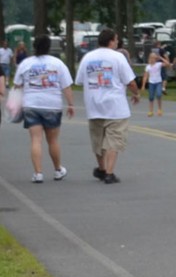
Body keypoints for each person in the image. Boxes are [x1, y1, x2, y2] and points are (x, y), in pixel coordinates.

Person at [75, 28, 139, 184]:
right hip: (115, 106)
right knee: (114, 140)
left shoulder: (87, 57)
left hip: (94, 105)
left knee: (98, 140)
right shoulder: (118, 57)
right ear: (111, 41)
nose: (117, 42)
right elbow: (130, 81)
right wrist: (136, 93)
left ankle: (102, 168)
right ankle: (109, 173)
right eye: (116, 39)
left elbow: (80, 81)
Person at [13, 35, 76, 183]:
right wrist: (71, 104)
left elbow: (17, 85)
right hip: (52, 105)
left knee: (36, 139)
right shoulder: (58, 63)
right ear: (49, 47)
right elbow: (66, 86)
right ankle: (57, 169)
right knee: (53, 140)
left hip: (31, 104)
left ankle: (38, 173)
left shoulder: (26, 64)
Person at [141, 52, 165, 117]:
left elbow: (167, 64)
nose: (152, 59)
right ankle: (151, 111)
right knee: (151, 97)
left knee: (159, 94)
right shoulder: (148, 67)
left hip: (158, 82)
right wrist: (143, 85)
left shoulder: (158, 64)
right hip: (151, 83)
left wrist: (161, 58)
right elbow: (145, 76)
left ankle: (160, 109)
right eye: (151, 58)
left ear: (156, 59)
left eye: (154, 58)